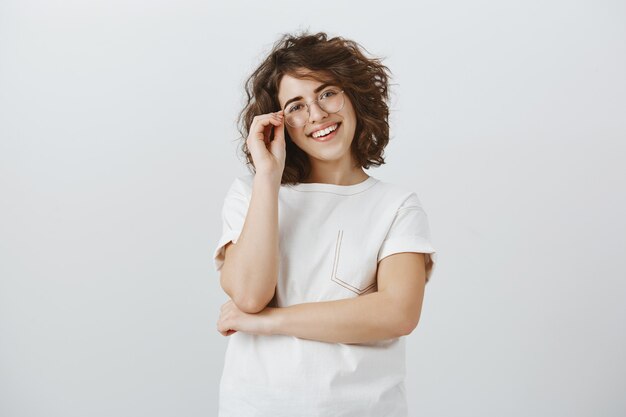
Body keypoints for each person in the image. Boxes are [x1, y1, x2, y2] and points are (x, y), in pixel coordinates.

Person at [212, 31, 437, 417]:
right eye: (296, 106)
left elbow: (397, 313)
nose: (316, 114)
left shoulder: (396, 206)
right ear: (279, 121)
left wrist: (269, 323)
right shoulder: (250, 194)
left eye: (327, 93)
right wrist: (268, 175)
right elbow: (249, 296)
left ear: (353, 96)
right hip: (256, 407)